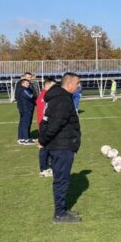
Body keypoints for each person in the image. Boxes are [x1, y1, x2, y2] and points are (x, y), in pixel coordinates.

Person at [39, 73, 83, 224]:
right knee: (61, 181)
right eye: (77, 83)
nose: (79, 86)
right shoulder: (63, 100)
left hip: (60, 145)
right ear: (69, 84)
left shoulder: (59, 98)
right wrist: (43, 140)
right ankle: (59, 214)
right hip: (61, 147)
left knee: (61, 179)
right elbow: (54, 124)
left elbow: (45, 121)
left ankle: (62, 210)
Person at [36, 78, 56, 177]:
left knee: (49, 147)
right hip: (45, 125)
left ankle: (49, 167)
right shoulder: (44, 96)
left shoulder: (45, 95)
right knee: (44, 148)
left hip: (45, 124)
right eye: (53, 86)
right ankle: (43, 169)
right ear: (47, 85)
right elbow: (46, 112)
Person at [15, 76, 36, 145]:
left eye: (28, 83)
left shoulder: (21, 89)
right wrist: (34, 96)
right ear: (22, 83)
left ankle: (21, 138)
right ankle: (26, 139)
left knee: (22, 123)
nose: (28, 84)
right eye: (27, 83)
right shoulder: (24, 90)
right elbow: (30, 97)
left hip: (23, 108)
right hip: (26, 109)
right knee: (25, 124)